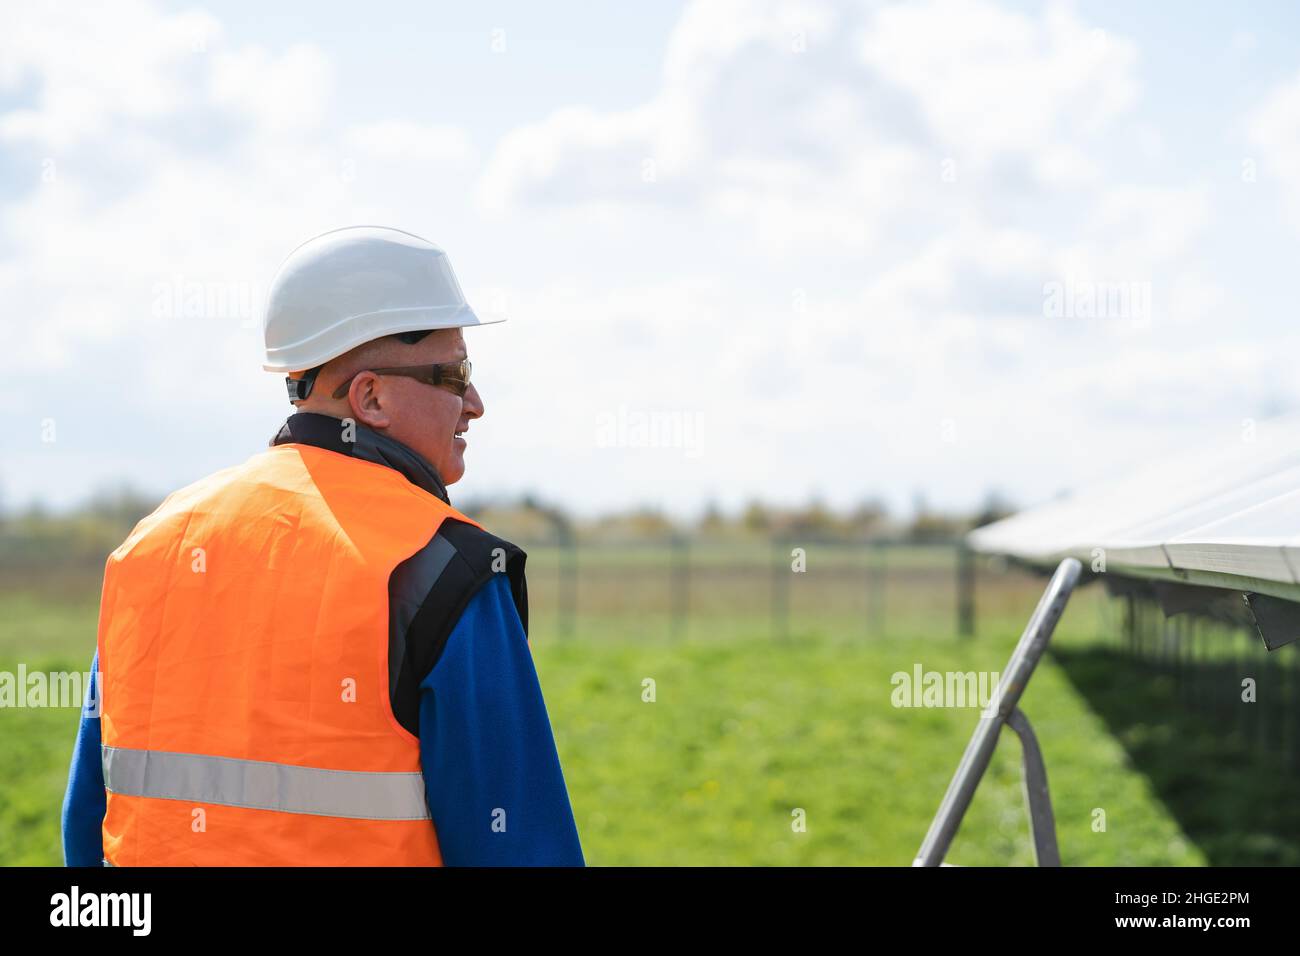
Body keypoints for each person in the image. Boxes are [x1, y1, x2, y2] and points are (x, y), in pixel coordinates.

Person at [61, 225, 584, 866]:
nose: (475, 402)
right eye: (457, 374)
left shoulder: (154, 546)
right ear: (371, 396)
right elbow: (520, 848)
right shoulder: (443, 565)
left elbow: (87, 822)